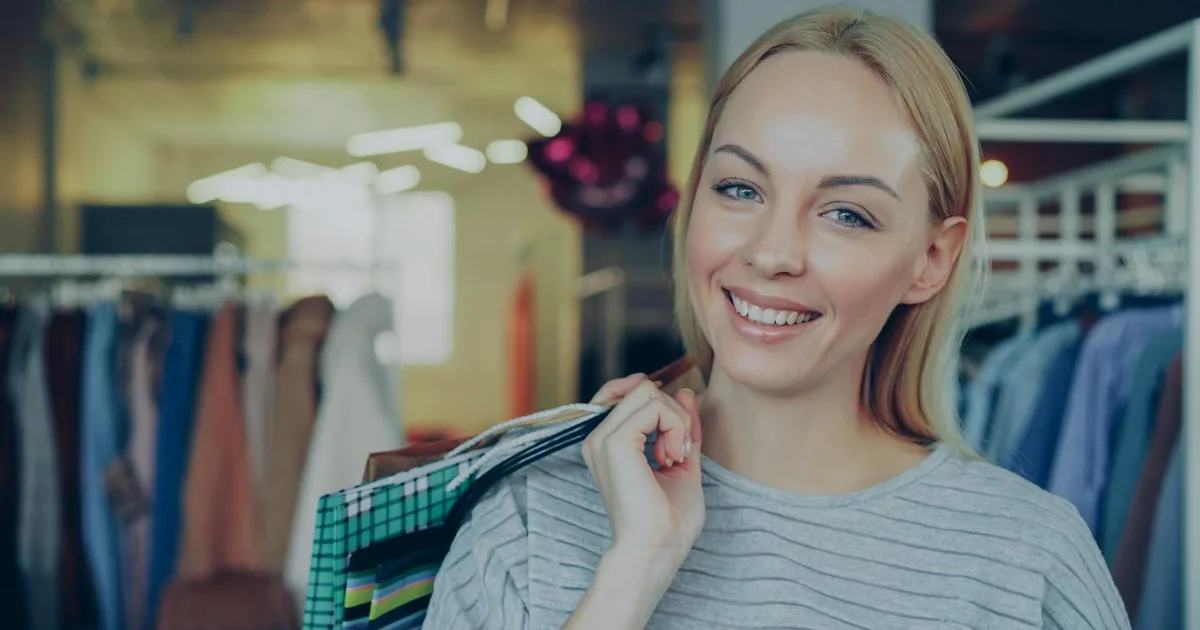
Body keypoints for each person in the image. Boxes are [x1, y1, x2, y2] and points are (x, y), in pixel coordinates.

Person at [425, 7, 1130, 629]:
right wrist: (638, 565)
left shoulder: (1027, 558)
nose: (772, 252)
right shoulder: (529, 521)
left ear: (932, 260)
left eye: (847, 214)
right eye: (740, 188)